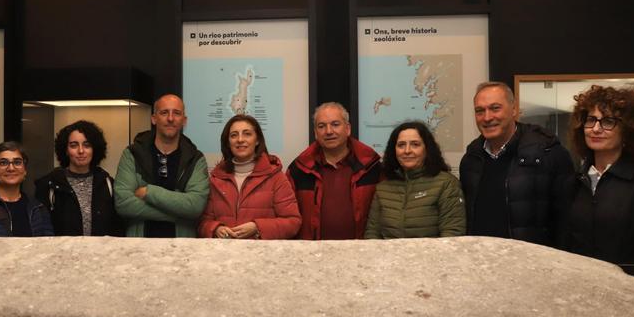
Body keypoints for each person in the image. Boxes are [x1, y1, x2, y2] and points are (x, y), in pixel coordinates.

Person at [560, 85, 634, 300]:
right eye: (591, 120)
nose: (596, 129)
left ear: (629, 131)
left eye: (607, 122)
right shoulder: (573, 183)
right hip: (581, 298)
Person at [459, 81, 574, 245]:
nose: (487, 117)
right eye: (479, 111)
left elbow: (566, 219)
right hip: (483, 262)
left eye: (495, 108)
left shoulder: (548, 154)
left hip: (533, 263)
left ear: (513, 110)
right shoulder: (471, 160)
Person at [114, 93, 209, 238]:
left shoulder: (195, 159)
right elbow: (123, 203)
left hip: (182, 251)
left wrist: (149, 192)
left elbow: (195, 206)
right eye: (164, 112)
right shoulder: (132, 154)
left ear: (184, 120)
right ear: (154, 118)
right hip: (138, 249)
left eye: (176, 113)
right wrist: (177, 213)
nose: (170, 118)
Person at [287, 102, 382, 239]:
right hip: (312, 255)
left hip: (361, 253)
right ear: (315, 133)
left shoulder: (371, 167)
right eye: (321, 126)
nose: (329, 131)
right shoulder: (299, 170)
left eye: (335, 124)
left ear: (348, 129)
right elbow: (288, 217)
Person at [198, 115, 300, 239]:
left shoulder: (277, 179)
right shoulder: (215, 179)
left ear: (257, 140)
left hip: (262, 256)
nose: (240, 140)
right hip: (224, 255)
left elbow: (293, 223)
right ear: (228, 142)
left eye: (247, 134)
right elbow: (202, 223)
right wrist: (215, 229)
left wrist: (257, 227)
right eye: (234, 135)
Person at [364, 122, 465, 239]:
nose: (407, 151)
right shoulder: (383, 188)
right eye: (401, 145)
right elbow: (372, 234)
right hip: (389, 257)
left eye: (415, 144)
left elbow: (452, 234)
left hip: (432, 257)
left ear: (427, 149)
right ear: (394, 150)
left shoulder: (446, 183)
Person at [34, 120, 121, 236]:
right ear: (65, 150)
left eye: (87, 145)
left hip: (101, 252)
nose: (81, 151)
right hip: (61, 252)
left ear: (94, 149)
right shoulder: (49, 185)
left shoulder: (108, 183)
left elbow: (117, 227)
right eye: (74, 145)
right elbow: (43, 230)